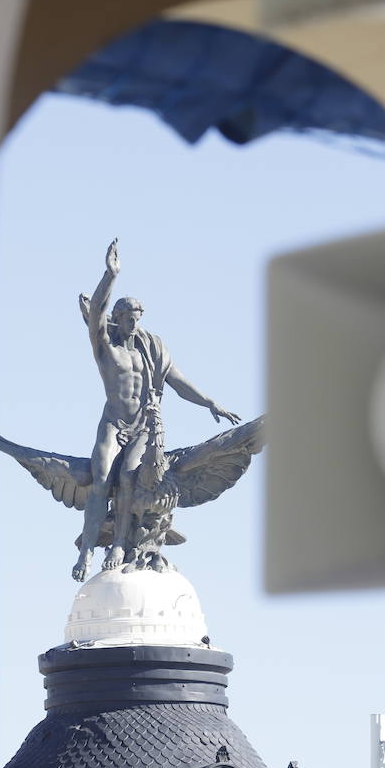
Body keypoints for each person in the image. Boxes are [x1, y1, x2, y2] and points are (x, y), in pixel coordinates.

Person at [74, 238, 241, 581]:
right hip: (114, 424)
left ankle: (120, 543)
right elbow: (96, 314)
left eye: (137, 318)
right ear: (117, 319)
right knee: (102, 480)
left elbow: (177, 381)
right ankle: (87, 551)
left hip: (143, 427)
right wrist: (110, 275)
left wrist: (210, 401)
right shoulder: (106, 349)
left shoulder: (152, 349)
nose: (133, 324)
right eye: (127, 318)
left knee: (130, 478)